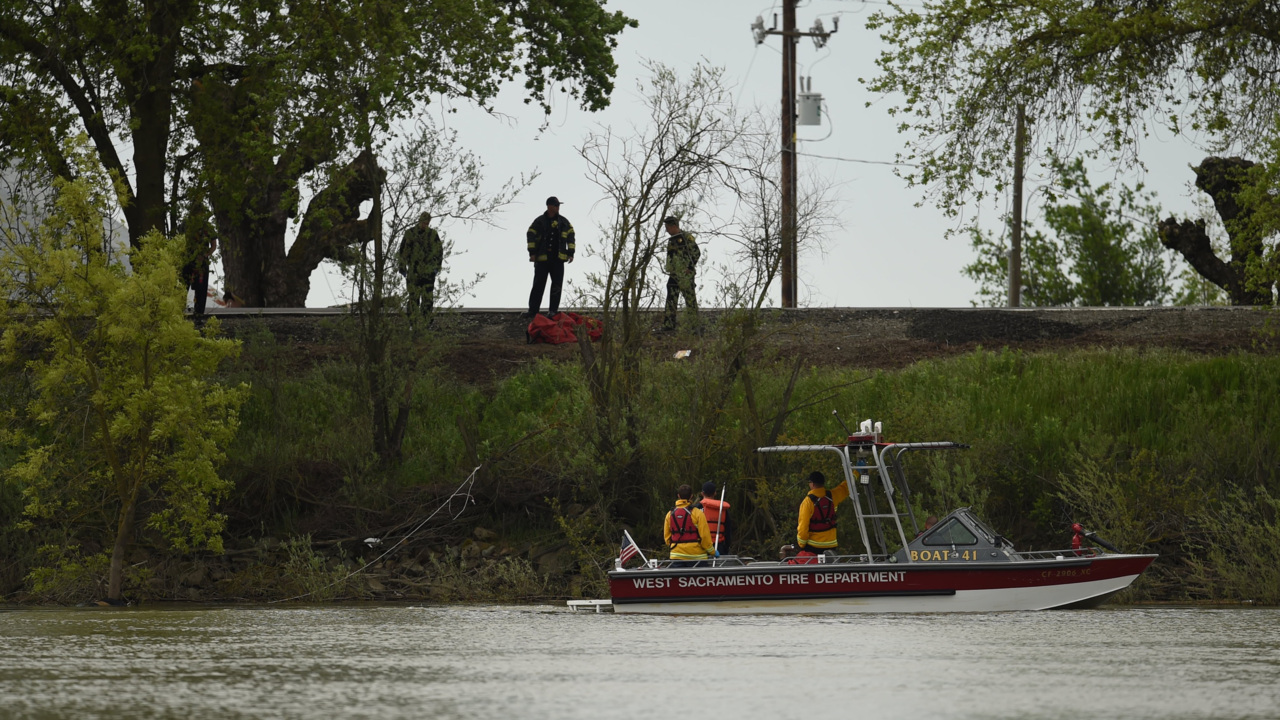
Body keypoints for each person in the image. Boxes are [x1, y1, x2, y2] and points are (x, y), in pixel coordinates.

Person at [525, 196, 575, 319]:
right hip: (542, 260)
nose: (558, 208)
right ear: (549, 206)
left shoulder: (564, 222)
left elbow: (571, 236)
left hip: (558, 260)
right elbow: (530, 234)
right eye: (556, 205)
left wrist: (571, 253)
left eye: (558, 205)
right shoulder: (539, 221)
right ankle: (533, 311)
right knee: (538, 285)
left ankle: (553, 311)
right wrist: (532, 252)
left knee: (556, 286)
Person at [795, 471, 851, 563]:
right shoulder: (832, 496)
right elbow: (845, 487)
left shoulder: (807, 502)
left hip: (813, 548)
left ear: (812, 484)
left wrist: (801, 544)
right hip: (831, 546)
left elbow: (803, 527)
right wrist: (857, 472)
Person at [398, 212, 444, 320]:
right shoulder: (410, 233)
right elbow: (403, 251)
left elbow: (439, 251)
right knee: (413, 298)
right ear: (419, 221)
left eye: (427, 223)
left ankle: (425, 323)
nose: (425, 225)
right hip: (413, 271)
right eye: (423, 222)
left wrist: (436, 268)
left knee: (427, 299)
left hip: (428, 272)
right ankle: (412, 323)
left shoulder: (433, 234)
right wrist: (402, 267)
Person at [661, 215, 699, 330]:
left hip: (685, 275)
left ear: (673, 226)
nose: (666, 229)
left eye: (667, 227)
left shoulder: (686, 237)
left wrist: (689, 268)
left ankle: (695, 326)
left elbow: (696, 252)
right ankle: (669, 325)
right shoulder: (671, 239)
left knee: (690, 299)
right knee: (671, 299)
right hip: (674, 274)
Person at [664, 483, 715, 567]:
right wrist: (712, 551)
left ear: (678, 496)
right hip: (697, 557)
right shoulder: (698, 513)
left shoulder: (669, 514)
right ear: (691, 496)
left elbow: (667, 538)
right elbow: (705, 536)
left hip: (676, 556)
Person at [182, 210, 216, 317]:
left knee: (201, 288)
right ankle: (178, 309)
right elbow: (179, 239)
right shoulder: (186, 225)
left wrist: (206, 255)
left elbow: (214, 245)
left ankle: (199, 312)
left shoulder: (207, 227)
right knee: (183, 285)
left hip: (202, 261)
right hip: (187, 259)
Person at [694, 481, 731, 554]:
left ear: (702, 493)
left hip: (700, 545)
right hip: (719, 545)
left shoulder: (696, 509)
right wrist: (727, 547)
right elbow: (728, 530)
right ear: (715, 493)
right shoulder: (723, 510)